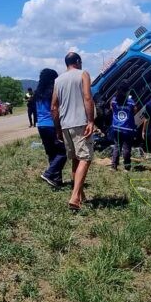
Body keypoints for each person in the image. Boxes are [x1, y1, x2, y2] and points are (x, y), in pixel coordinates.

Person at [52, 52, 95, 212]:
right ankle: (75, 197)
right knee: (85, 158)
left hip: (65, 125)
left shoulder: (58, 80)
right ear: (78, 61)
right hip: (80, 123)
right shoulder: (83, 74)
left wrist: (58, 128)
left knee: (76, 160)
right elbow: (87, 97)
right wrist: (91, 121)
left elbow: (54, 107)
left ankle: (81, 195)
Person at [35, 69, 67, 188]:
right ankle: (48, 174)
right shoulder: (53, 91)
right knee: (63, 152)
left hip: (41, 126)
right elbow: (55, 110)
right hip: (51, 125)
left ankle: (56, 180)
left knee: (52, 153)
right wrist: (59, 128)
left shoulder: (37, 93)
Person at [108, 87, 137, 171]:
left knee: (117, 146)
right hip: (127, 128)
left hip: (116, 127)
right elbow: (135, 111)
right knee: (126, 148)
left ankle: (114, 166)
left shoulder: (114, 100)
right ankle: (127, 167)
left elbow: (111, 108)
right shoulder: (130, 102)